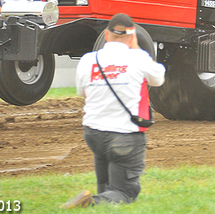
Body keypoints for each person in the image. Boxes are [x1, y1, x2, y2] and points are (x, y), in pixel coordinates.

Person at [61, 13, 165, 209]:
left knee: (107, 187)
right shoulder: (138, 57)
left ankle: (100, 201)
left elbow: (82, 92)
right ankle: (90, 203)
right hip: (124, 136)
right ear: (132, 35)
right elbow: (158, 78)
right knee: (125, 193)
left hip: (94, 133)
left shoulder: (88, 60)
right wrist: (135, 48)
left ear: (106, 35)